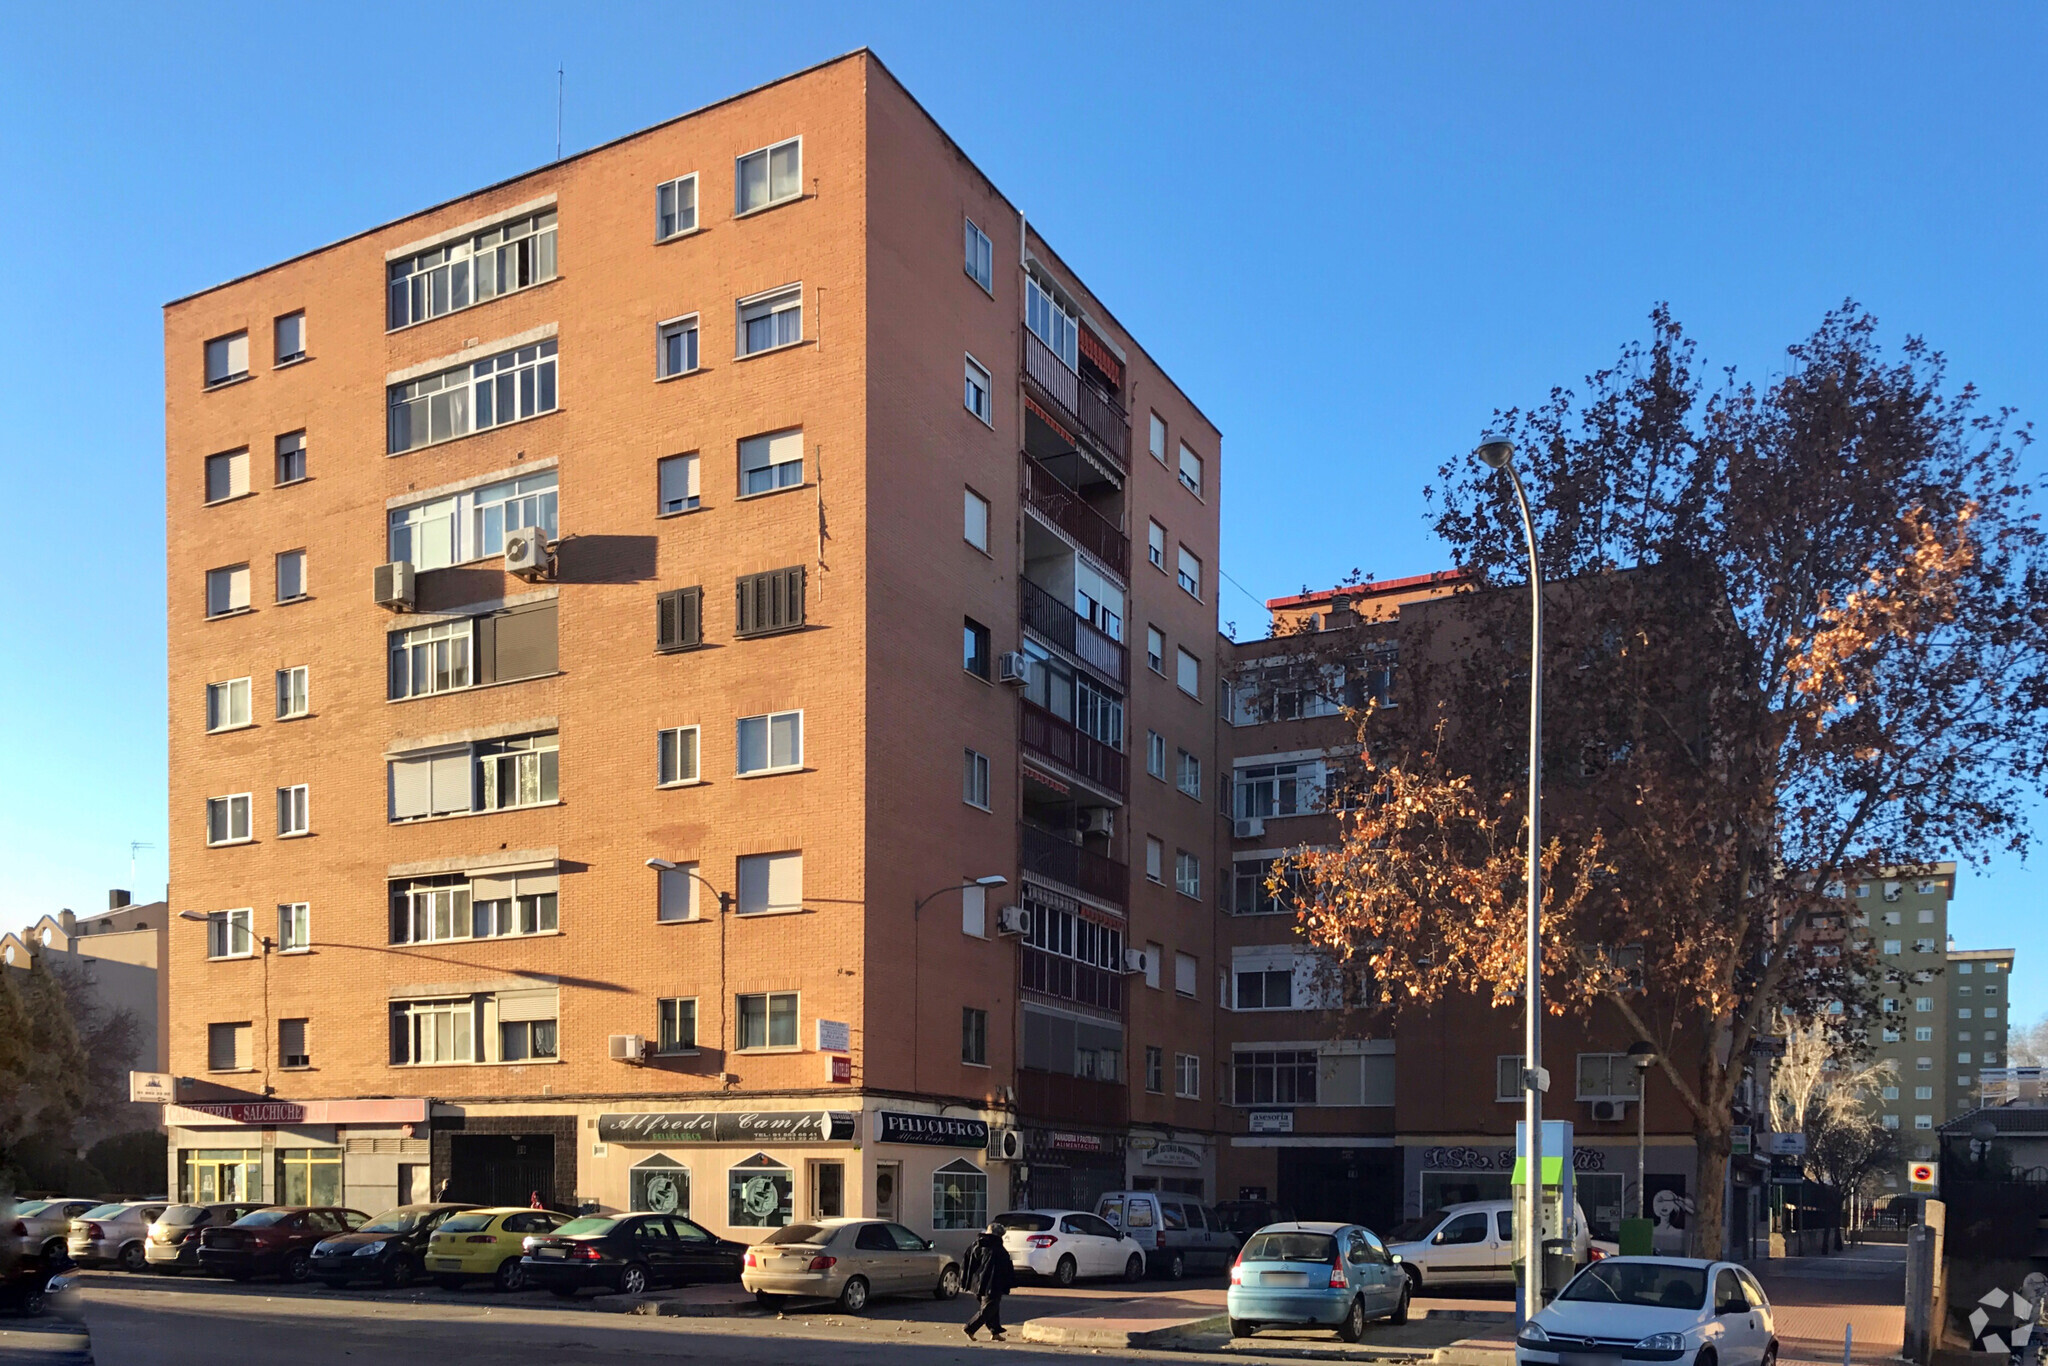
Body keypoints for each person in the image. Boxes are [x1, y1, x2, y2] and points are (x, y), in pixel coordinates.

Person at [963, 1222, 1015, 1342]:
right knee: (990, 1307)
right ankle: (970, 1328)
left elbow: (968, 1263)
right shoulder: (997, 1248)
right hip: (991, 1284)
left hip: (976, 1283)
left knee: (992, 1307)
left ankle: (995, 1331)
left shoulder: (977, 1244)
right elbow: (1002, 1268)